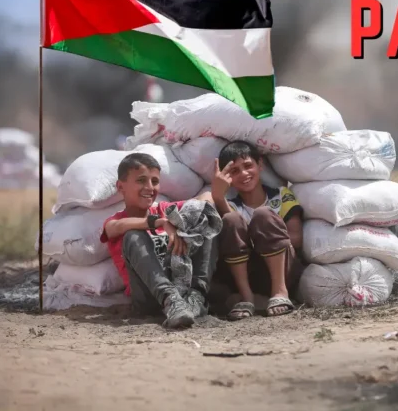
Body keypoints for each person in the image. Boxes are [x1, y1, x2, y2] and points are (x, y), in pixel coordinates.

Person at [100, 153, 215, 329]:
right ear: (120, 186)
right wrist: (158, 222)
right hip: (149, 299)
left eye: (154, 181)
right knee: (133, 235)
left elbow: (207, 196)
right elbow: (114, 227)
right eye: (141, 180)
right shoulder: (115, 222)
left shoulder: (165, 210)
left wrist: (181, 223)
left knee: (203, 219)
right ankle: (171, 301)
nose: (149, 187)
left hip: (183, 288)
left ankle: (196, 298)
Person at [202, 141, 304, 321]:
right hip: (246, 275)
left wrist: (263, 235)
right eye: (234, 171)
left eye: (248, 166)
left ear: (260, 165)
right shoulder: (231, 206)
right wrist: (218, 197)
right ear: (228, 178)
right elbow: (232, 235)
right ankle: (247, 297)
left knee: (264, 215)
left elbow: (296, 239)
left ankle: (279, 292)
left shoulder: (281, 195)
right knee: (231, 220)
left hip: (283, 269)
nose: (243, 174)